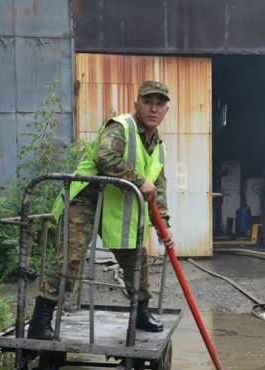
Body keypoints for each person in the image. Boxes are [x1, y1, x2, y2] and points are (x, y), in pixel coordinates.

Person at [27, 81, 174, 340]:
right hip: (86, 198)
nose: (153, 109)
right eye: (148, 102)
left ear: (166, 110)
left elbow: (156, 189)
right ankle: (41, 321)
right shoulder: (121, 126)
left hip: (116, 206)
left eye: (159, 104)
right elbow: (104, 156)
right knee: (71, 258)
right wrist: (139, 181)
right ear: (136, 104)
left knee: (136, 257)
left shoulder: (159, 147)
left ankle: (140, 312)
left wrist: (163, 224)